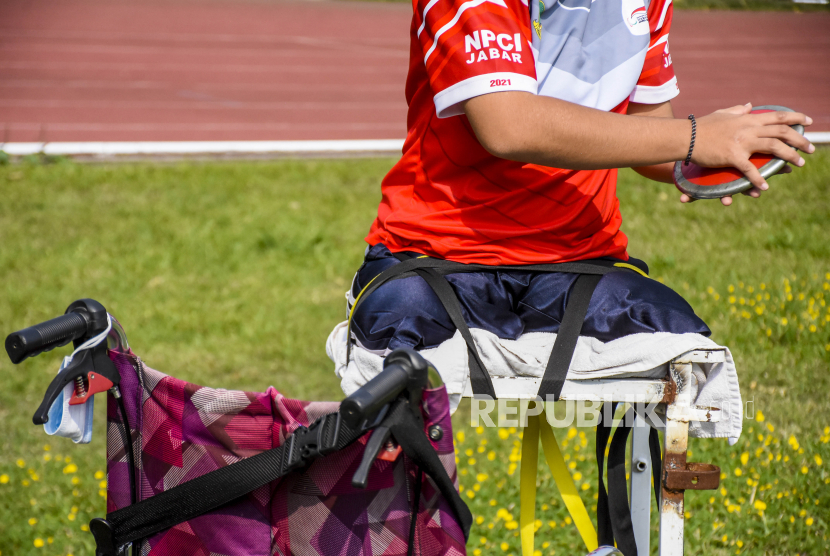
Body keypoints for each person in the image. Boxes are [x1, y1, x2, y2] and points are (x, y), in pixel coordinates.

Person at [337, 0, 814, 383]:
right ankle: (410, 506)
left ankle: (636, 509)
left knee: (685, 344)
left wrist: (711, 159)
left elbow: (648, 134)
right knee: (391, 355)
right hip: (434, 256)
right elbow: (508, 125)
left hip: (579, 261)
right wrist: (694, 136)